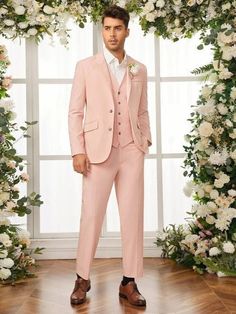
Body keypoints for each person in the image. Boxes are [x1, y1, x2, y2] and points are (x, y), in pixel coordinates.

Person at [68, 4, 152, 307]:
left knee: (132, 216)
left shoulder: (138, 68)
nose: (112, 34)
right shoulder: (86, 67)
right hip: (97, 153)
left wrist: (145, 140)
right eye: (107, 28)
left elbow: (142, 109)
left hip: (131, 150)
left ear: (127, 31)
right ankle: (82, 277)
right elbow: (75, 112)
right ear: (101, 30)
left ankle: (129, 281)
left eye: (117, 28)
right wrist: (78, 150)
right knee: (91, 215)